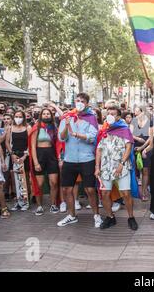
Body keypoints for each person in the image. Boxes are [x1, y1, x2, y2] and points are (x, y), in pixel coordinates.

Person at [57, 93, 102, 228]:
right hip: (69, 159)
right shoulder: (67, 117)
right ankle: (72, 215)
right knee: (66, 189)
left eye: (82, 101)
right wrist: (66, 126)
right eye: (78, 100)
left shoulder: (91, 118)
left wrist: (76, 134)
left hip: (86, 159)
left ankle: (96, 215)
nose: (80, 102)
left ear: (87, 103)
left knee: (89, 190)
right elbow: (61, 138)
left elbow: (92, 138)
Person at [96, 105, 138, 230]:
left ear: (118, 116)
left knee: (126, 193)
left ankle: (131, 217)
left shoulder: (124, 129)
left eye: (113, 114)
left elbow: (128, 148)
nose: (110, 116)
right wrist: (97, 167)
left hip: (122, 167)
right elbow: (99, 150)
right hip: (105, 168)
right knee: (105, 194)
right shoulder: (104, 130)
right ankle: (110, 217)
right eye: (108, 113)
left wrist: (121, 164)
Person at [29, 108, 61, 216]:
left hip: (51, 155)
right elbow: (32, 146)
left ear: (51, 116)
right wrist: (36, 162)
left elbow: (58, 143)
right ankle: (39, 206)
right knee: (40, 184)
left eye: (48, 114)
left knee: (54, 182)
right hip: (39, 155)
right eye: (44, 114)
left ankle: (53, 204)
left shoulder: (54, 128)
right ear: (41, 115)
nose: (46, 115)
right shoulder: (36, 127)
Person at [6, 110, 32, 211]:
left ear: (24, 117)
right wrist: (12, 154)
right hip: (14, 155)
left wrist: (25, 156)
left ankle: (26, 201)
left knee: (24, 178)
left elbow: (30, 144)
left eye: (20, 116)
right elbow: (7, 143)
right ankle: (18, 201)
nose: (18, 118)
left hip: (24, 155)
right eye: (16, 116)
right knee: (15, 179)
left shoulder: (27, 128)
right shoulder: (10, 128)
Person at [132, 106, 151, 202]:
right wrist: (138, 139)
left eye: (137, 112)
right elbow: (130, 133)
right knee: (135, 171)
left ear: (143, 111)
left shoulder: (149, 122)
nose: (136, 114)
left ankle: (143, 192)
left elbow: (150, 137)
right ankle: (135, 192)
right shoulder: (134, 121)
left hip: (146, 149)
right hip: (134, 148)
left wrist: (143, 147)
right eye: (135, 112)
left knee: (145, 171)